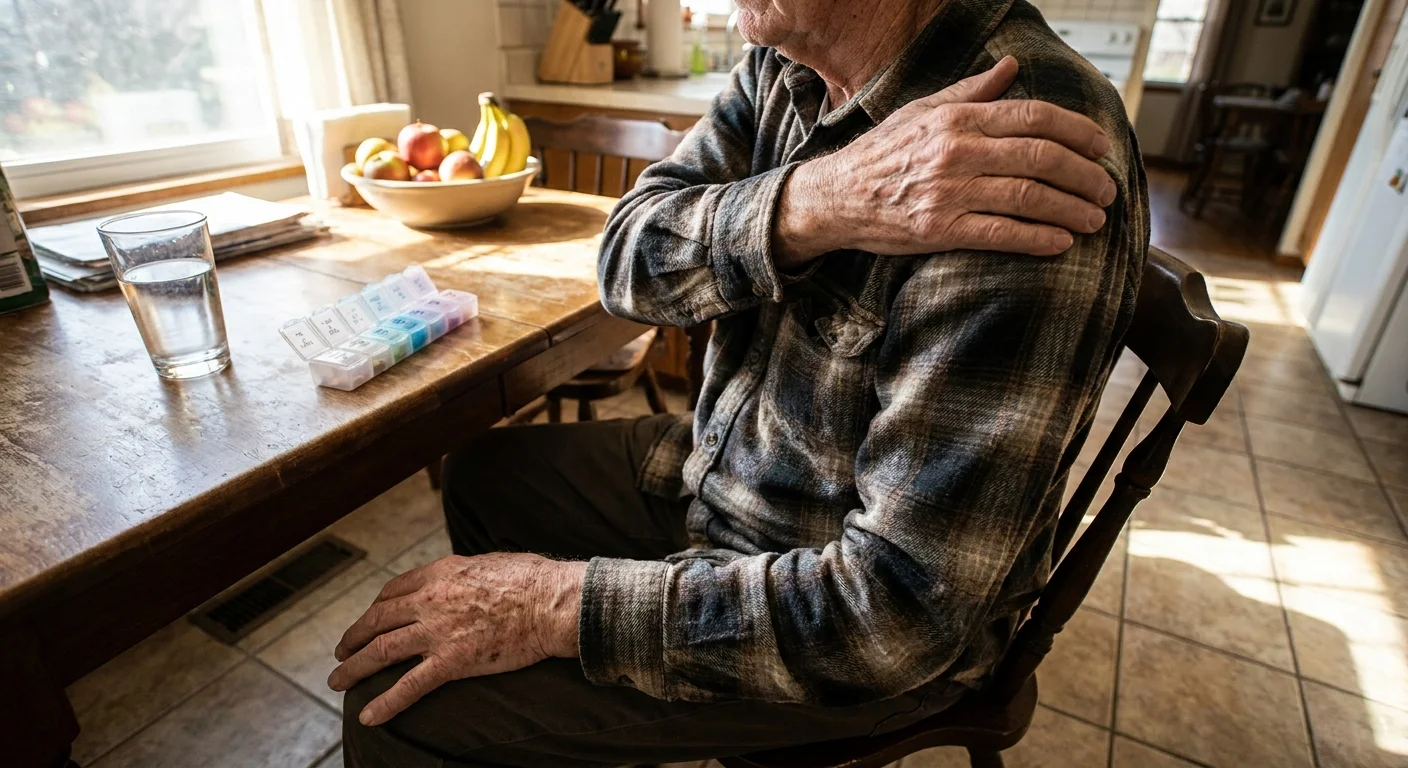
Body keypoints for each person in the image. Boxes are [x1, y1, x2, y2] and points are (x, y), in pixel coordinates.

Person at [333, 0, 1148, 764]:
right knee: (483, 475)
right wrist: (813, 202)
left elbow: (895, 618)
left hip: (844, 608)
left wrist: (555, 608)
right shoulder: (782, 63)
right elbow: (627, 261)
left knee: (396, 705)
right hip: (731, 475)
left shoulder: (1020, 147)